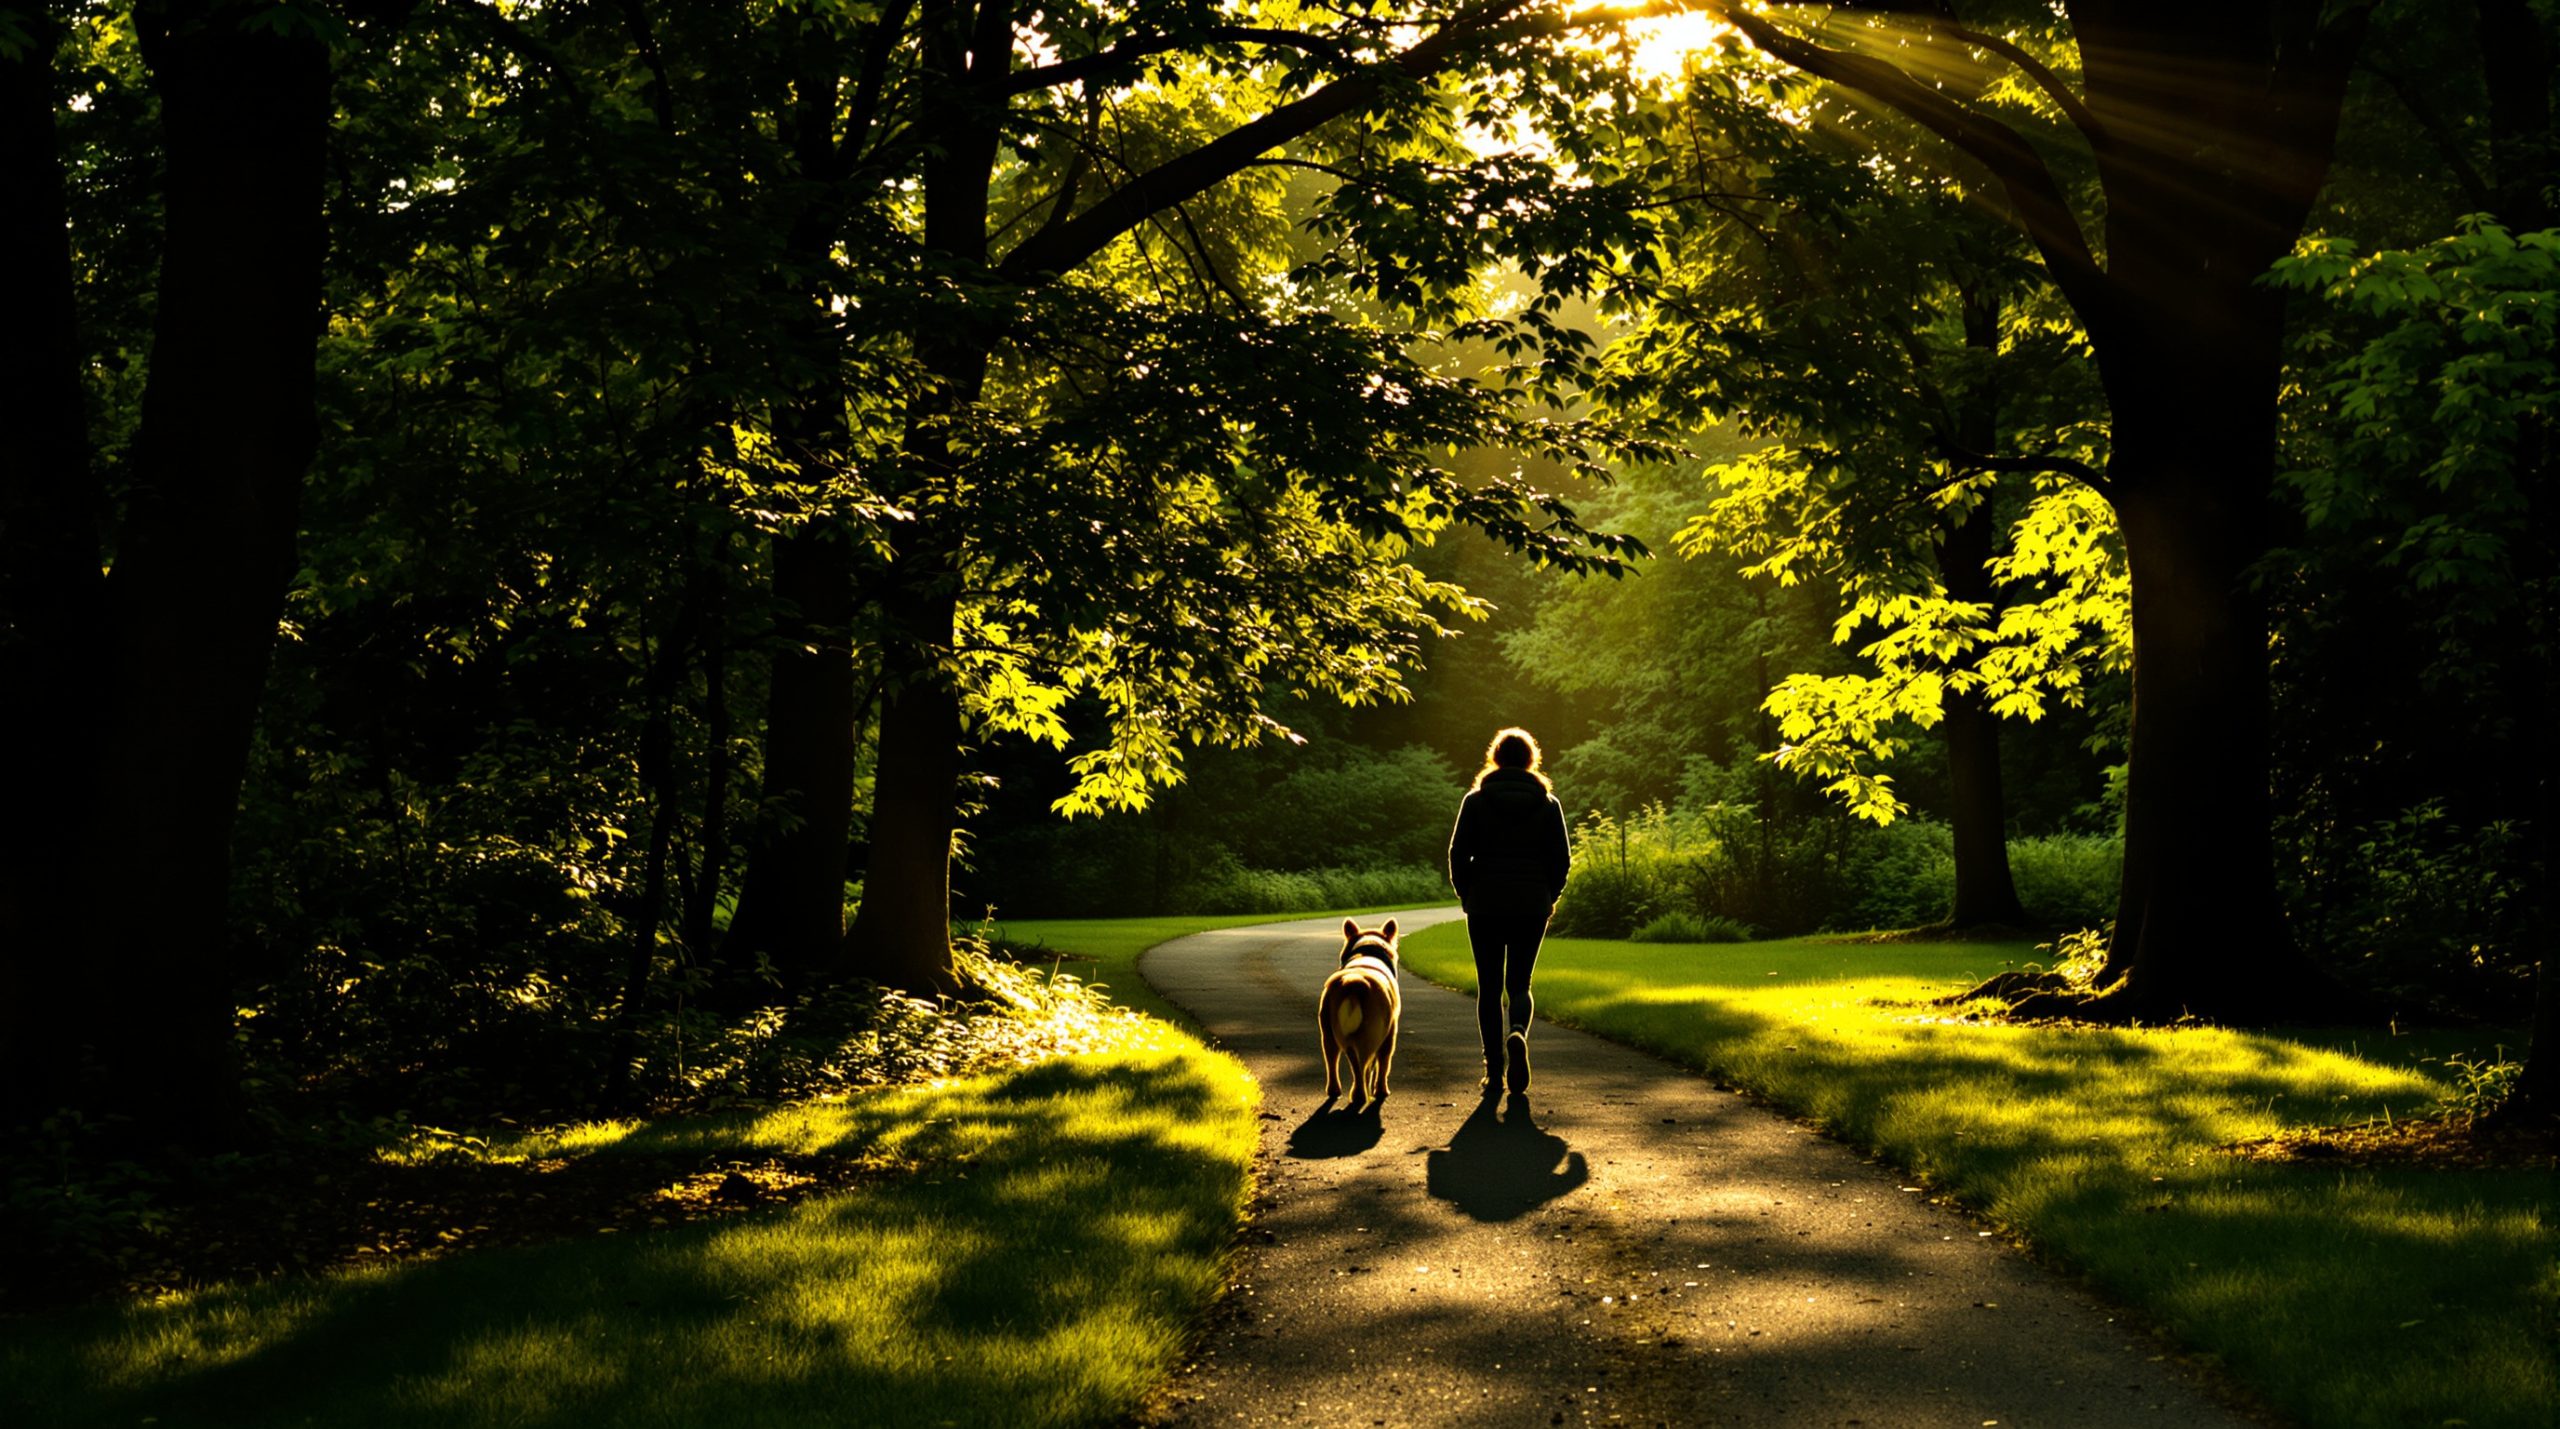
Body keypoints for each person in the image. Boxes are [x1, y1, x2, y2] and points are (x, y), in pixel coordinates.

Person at [1445, 726, 1570, 1095]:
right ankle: (1517, 1031)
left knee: (1488, 987)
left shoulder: (1475, 801)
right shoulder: (1548, 804)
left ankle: (1494, 1071)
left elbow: (1457, 854)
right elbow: (1561, 859)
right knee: (1520, 983)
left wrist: (1466, 893)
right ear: (1532, 760)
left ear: (1495, 758)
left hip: (1484, 902)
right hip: (1531, 903)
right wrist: (1550, 895)